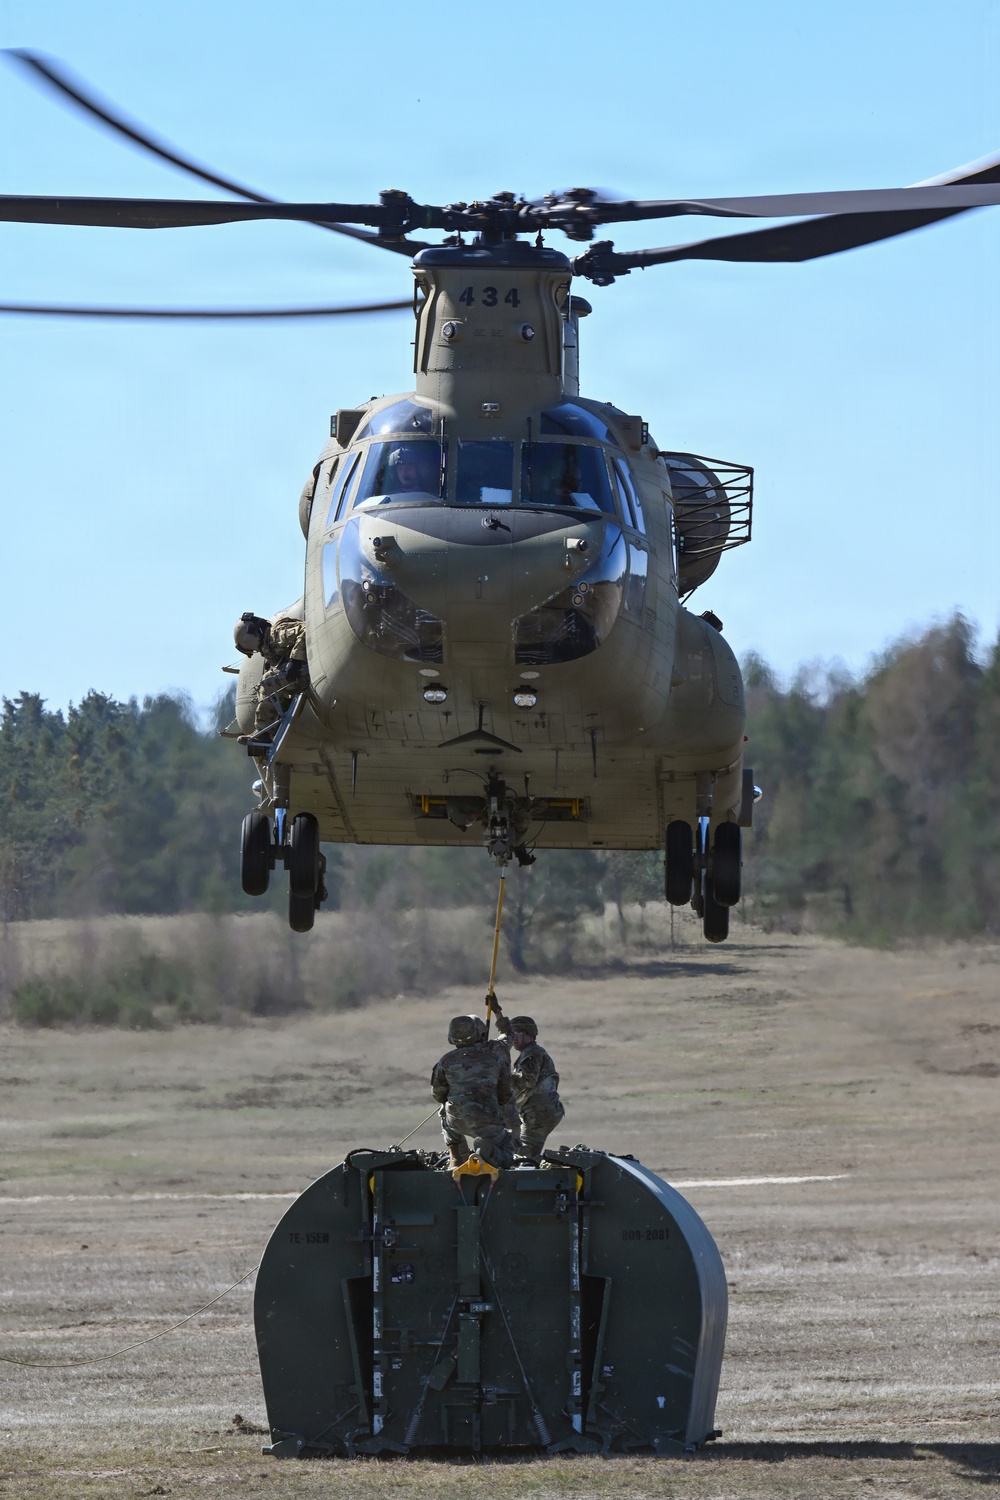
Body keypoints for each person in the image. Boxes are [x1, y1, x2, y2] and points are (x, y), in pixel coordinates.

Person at [431, 1015, 514, 1171]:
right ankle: (488, 1151)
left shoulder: (445, 1061)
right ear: (477, 1033)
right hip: (488, 1121)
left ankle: (455, 1158)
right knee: (507, 1151)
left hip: (457, 1121)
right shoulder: (495, 1059)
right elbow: (505, 1096)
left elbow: (438, 1094)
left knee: (444, 1110)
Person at [490, 1002, 565, 1163]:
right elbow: (506, 1033)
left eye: (517, 1033)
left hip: (539, 1113)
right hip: (540, 1111)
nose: (513, 1038)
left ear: (528, 1034)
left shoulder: (532, 1053)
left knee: (523, 1154)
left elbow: (528, 1081)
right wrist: (498, 1013)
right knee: (520, 1148)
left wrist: (504, 1075)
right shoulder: (530, 1052)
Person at [233, 611, 309, 735]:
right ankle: (272, 726)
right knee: (268, 684)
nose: (257, 650)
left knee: (268, 683)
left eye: (253, 649)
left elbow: (306, 630)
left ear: (249, 640)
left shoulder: (276, 634)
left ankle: (263, 732)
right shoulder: (270, 647)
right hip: (302, 674)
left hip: (305, 671)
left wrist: (296, 660)